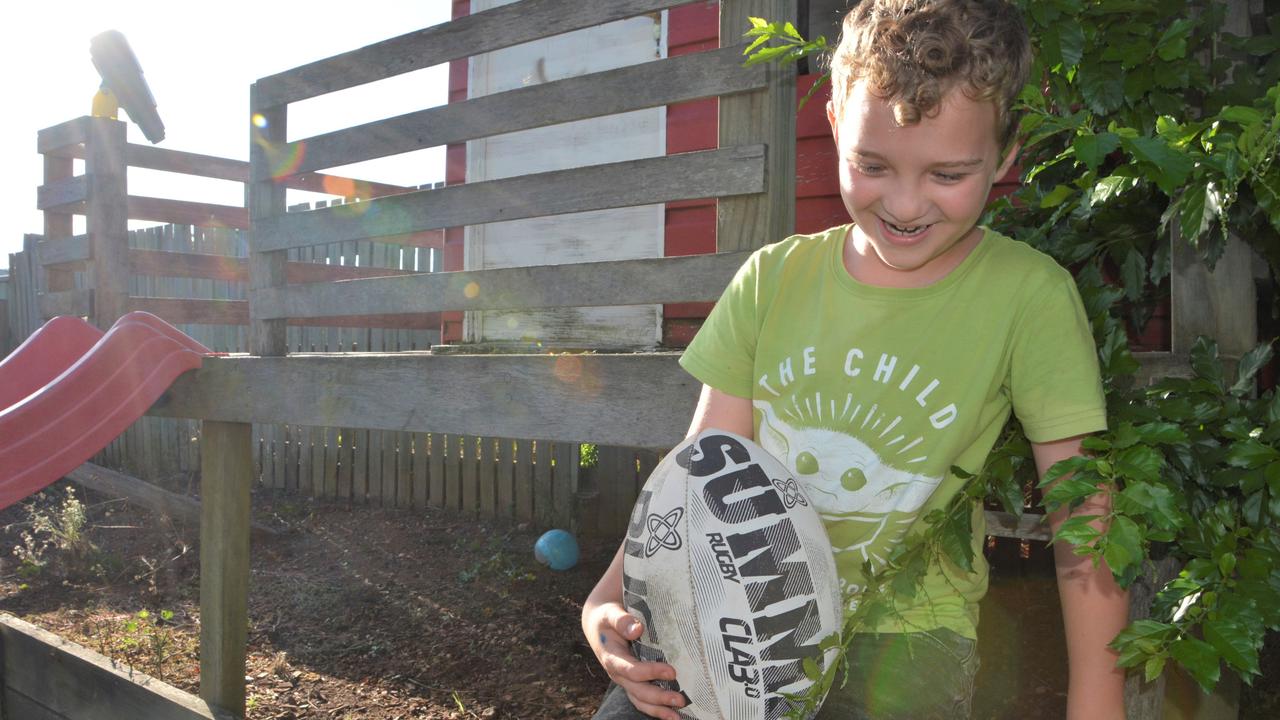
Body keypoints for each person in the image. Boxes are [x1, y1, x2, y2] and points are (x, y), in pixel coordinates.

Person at [581, 0, 1129, 718]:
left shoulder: (1028, 297)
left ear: (1006, 153)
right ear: (835, 124)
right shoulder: (773, 280)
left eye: (946, 174)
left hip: (904, 634)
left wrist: (1097, 700)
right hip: (735, 609)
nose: (905, 204)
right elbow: (703, 468)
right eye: (872, 165)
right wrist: (608, 598)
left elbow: (1082, 508)